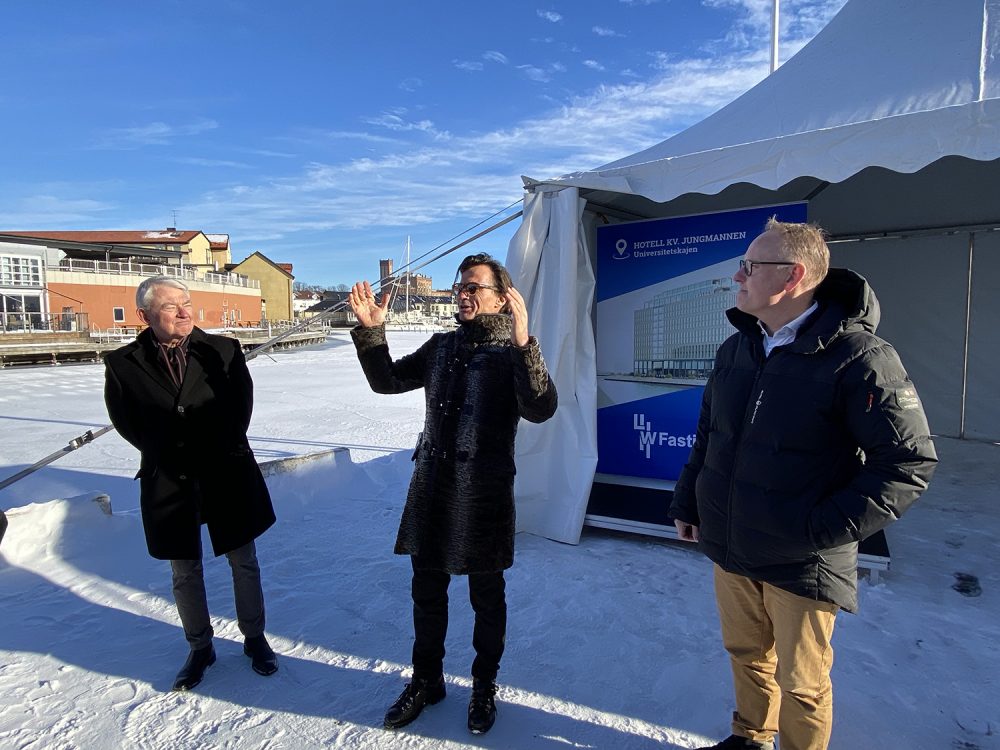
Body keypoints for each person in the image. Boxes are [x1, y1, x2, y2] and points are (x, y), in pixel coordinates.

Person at [669, 219, 937, 750]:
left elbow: (907, 463)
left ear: (791, 277)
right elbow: (710, 436)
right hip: (733, 542)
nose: (737, 276)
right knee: (746, 655)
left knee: (803, 685)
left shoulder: (860, 358)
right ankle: (750, 736)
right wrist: (690, 499)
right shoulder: (737, 348)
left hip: (802, 558)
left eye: (750, 266)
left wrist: (819, 529)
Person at [348, 253, 557, 735]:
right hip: (432, 490)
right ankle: (427, 680)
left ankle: (484, 686)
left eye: (475, 288)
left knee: (487, 597)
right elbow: (387, 381)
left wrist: (526, 345)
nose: (463, 294)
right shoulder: (441, 346)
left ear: (502, 299)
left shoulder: (511, 354)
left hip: (483, 496)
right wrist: (372, 332)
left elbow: (541, 407)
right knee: (427, 593)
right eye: (460, 286)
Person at [104, 276, 278, 691]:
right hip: (169, 478)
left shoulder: (222, 349)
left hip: (226, 471)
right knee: (184, 569)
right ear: (144, 316)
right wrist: (169, 449)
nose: (185, 312)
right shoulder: (123, 363)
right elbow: (125, 420)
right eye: (171, 307)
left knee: (243, 559)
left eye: (186, 302)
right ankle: (200, 646)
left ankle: (255, 639)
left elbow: (241, 409)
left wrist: (217, 446)